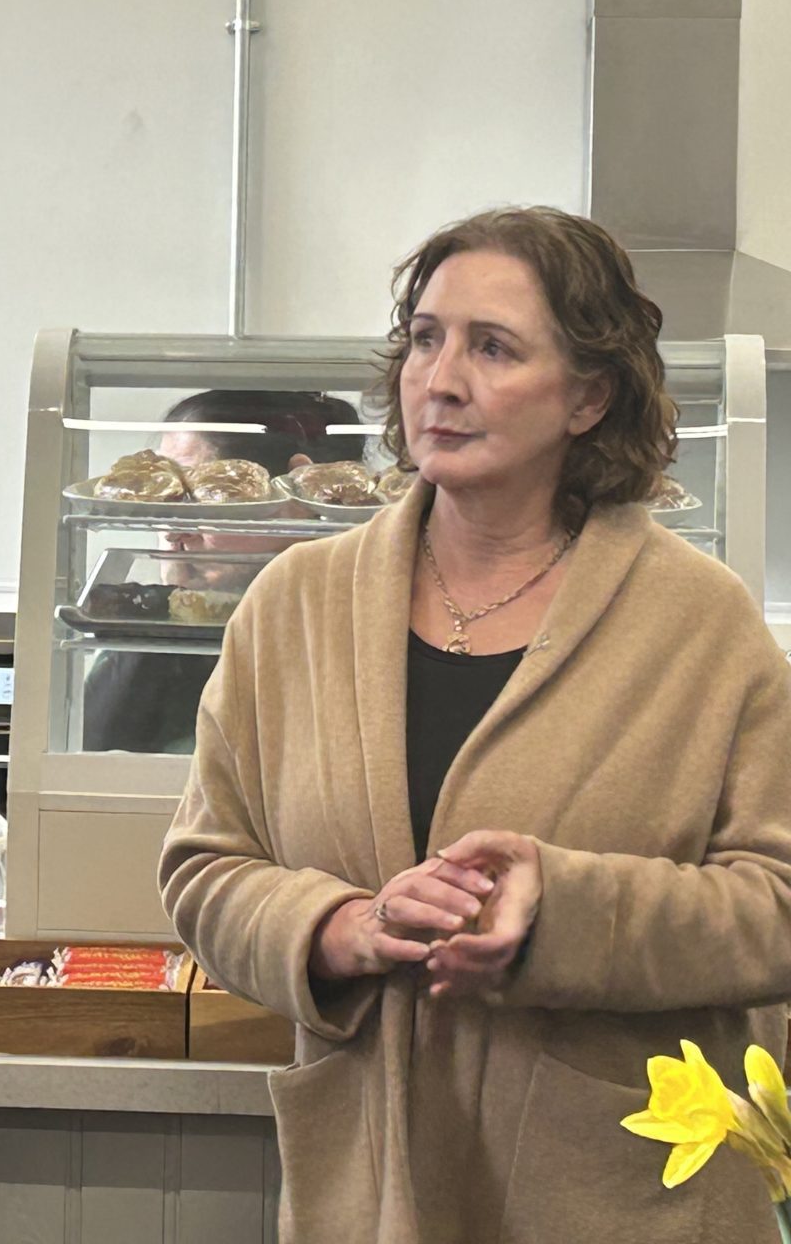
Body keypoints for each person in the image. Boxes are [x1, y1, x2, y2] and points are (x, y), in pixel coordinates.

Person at [160, 206, 791, 1243]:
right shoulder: (294, 605)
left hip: (622, 1203)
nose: (437, 379)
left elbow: (775, 904)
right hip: (368, 1198)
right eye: (423, 338)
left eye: (490, 347)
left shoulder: (699, 622)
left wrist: (564, 913)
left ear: (587, 396)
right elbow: (203, 870)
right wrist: (338, 926)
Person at [82, 390, 365, 754]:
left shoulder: (353, 631)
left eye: (203, 497)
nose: (172, 531)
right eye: (164, 497)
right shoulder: (153, 634)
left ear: (297, 493)